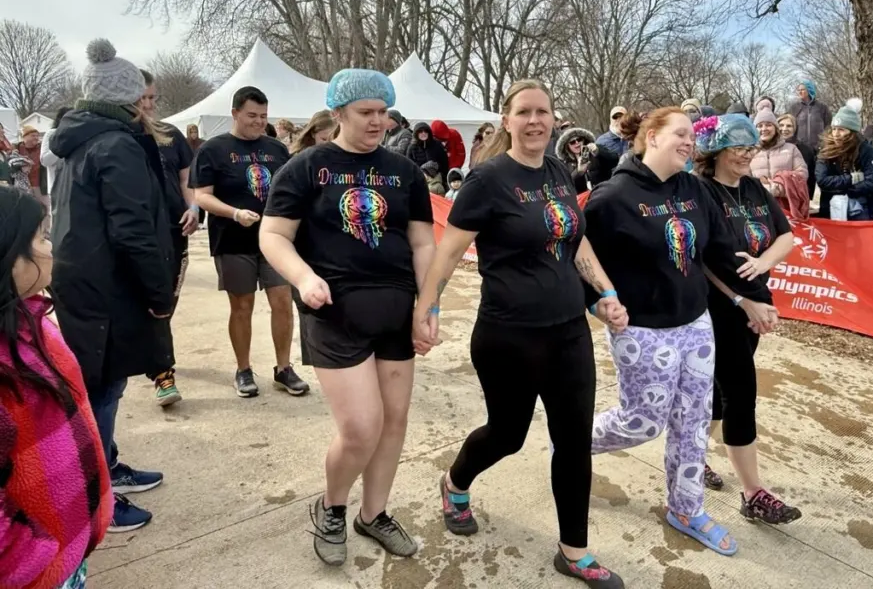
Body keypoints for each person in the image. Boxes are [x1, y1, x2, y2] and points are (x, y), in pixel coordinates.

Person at [414, 79, 629, 588]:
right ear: (507, 120)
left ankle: (573, 551)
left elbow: (574, 242)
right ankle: (454, 481)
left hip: (568, 333)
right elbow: (447, 253)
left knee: (573, 441)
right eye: (525, 112)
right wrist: (428, 306)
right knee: (507, 436)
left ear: (554, 119)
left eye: (544, 112)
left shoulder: (558, 171)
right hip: (508, 333)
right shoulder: (487, 180)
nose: (535, 121)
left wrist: (606, 292)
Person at [260, 68, 436, 567]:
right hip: (334, 314)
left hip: (396, 314)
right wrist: (302, 277)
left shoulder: (403, 172)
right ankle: (333, 506)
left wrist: (428, 305)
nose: (378, 121)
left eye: (383, 112)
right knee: (361, 427)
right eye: (366, 113)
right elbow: (273, 235)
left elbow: (423, 241)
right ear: (338, 113)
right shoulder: (307, 166)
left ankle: (373, 513)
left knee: (394, 421)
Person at [586, 108, 766, 556]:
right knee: (642, 423)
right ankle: (571, 440)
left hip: (695, 326)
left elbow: (722, 252)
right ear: (652, 137)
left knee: (693, 422)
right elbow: (580, 259)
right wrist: (599, 305)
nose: (690, 142)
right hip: (643, 331)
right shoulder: (612, 197)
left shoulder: (693, 189)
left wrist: (752, 297)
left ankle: (686, 509)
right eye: (680, 134)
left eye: (692, 135)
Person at [48, 38, 175, 532]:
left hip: (84, 280)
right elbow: (132, 228)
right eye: (143, 98)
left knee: (106, 384)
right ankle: (95, 493)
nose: (148, 106)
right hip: (107, 286)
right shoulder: (114, 144)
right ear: (126, 100)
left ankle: (108, 464)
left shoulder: (78, 139)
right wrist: (159, 294)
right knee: (101, 388)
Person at [0, 188, 114, 589]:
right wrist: (33, 563)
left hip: (66, 550)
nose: (50, 247)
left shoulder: (31, 319)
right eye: (40, 237)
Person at [692, 113, 801, 525]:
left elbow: (786, 236)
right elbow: (701, 259)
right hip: (717, 307)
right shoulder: (701, 190)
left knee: (721, 391)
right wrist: (741, 299)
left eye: (751, 147)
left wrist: (761, 264)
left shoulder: (754, 188)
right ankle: (753, 492)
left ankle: (693, 454)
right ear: (716, 150)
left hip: (753, 302)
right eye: (738, 147)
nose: (746, 154)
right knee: (740, 391)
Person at [190, 86, 309, 398]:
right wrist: (233, 213)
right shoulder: (212, 149)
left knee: (282, 301)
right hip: (232, 239)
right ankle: (243, 369)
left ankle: (284, 368)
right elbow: (201, 196)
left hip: (274, 240)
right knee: (242, 305)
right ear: (235, 114)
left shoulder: (276, 149)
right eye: (252, 116)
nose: (259, 122)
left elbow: (291, 190)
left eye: (264, 116)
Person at [135, 71, 200, 406]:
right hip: (137, 231)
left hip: (174, 229)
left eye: (151, 98)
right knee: (148, 299)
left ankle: (157, 350)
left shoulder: (170, 135)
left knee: (166, 300)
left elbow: (186, 180)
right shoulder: (121, 137)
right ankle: (163, 373)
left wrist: (193, 207)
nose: (147, 105)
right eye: (140, 98)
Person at [816, 100, 873, 221]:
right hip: (831, 207)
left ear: (852, 132)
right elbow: (822, 180)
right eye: (834, 129)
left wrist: (849, 191)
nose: (836, 134)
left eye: (841, 129)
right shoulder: (825, 151)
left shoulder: (866, 150)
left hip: (863, 208)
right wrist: (851, 179)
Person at [750, 108, 809, 216]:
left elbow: (802, 174)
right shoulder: (749, 151)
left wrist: (779, 188)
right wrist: (762, 188)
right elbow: (743, 179)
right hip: (758, 207)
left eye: (768, 124)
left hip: (787, 208)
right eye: (760, 126)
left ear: (776, 128)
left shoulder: (791, 149)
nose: (764, 129)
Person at [555, 126, 617, 194]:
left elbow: (614, 160)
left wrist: (598, 152)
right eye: (572, 142)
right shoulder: (565, 164)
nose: (577, 143)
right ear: (567, 146)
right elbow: (566, 186)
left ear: (584, 140)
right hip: (585, 200)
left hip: (605, 192)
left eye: (579, 139)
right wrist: (578, 172)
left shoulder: (595, 149)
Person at [776, 112, 815, 199]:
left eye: (789, 126)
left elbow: (811, 177)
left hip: (796, 196)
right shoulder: (768, 147)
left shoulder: (805, 150)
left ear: (795, 129)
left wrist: (808, 197)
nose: (784, 129)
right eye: (781, 125)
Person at [786, 79, 832, 150]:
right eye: (798, 90)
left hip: (819, 148)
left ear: (809, 90)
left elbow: (828, 127)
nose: (800, 92)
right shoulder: (794, 108)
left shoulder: (822, 107)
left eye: (802, 90)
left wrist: (825, 142)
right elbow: (789, 127)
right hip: (800, 148)